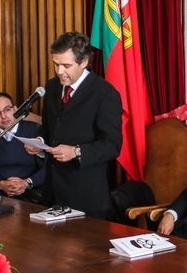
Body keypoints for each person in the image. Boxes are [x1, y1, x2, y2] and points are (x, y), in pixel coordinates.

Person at [25, 31, 122, 219]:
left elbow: (112, 145)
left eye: (66, 66)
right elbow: (48, 127)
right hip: (52, 193)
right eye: (56, 64)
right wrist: (39, 142)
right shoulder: (52, 86)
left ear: (84, 62)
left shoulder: (104, 93)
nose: (59, 71)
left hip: (86, 196)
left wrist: (76, 151)